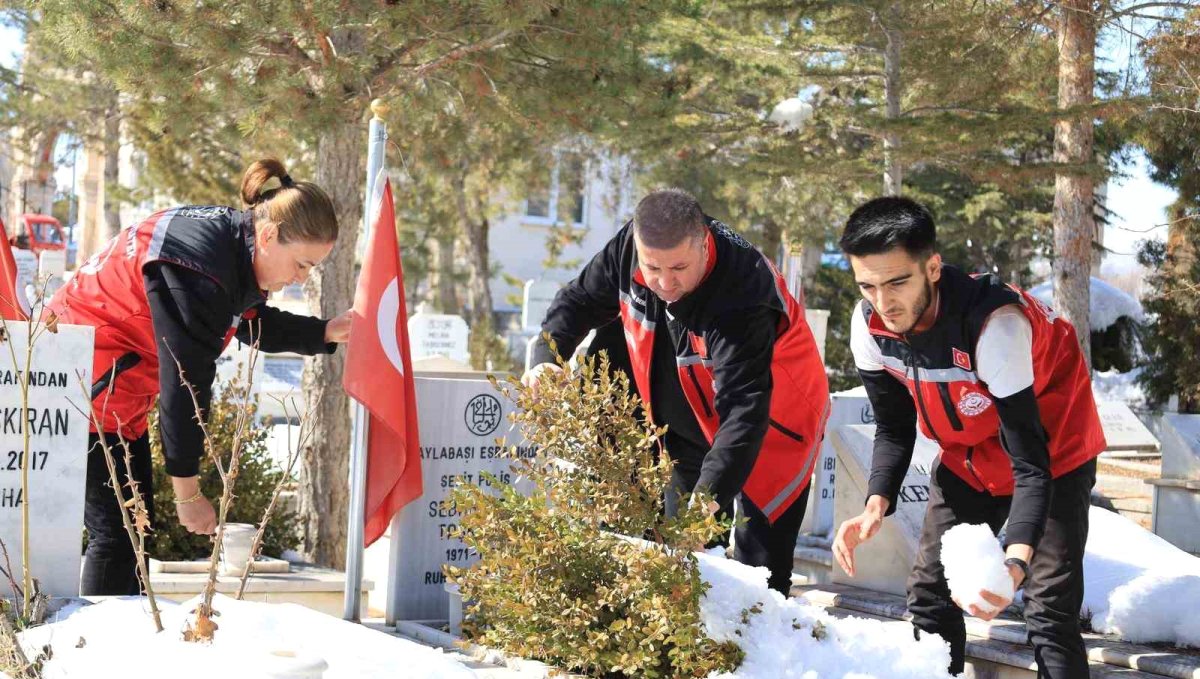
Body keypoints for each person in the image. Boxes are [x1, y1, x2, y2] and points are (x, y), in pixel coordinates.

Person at [48, 159, 353, 596]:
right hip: (80, 383)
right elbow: (185, 384)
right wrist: (188, 494)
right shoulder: (199, 270)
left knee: (133, 532)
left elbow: (246, 319)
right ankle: (100, 640)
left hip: (114, 386)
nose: (301, 279)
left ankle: (123, 632)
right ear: (269, 236)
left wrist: (324, 331)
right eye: (302, 265)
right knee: (118, 536)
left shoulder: (230, 243)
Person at [831, 196, 1104, 677]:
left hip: (1052, 449)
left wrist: (1016, 562)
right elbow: (894, 426)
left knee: (1048, 608)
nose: (884, 302)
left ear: (933, 268)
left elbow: (1031, 466)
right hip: (968, 454)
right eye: (867, 285)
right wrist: (876, 502)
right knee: (929, 594)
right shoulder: (868, 325)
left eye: (897, 282)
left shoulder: (995, 327)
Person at [523, 188, 829, 595]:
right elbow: (579, 300)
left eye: (680, 267)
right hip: (689, 411)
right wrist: (546, 358)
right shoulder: (629, 247)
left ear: (703, 243)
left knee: (760, 578)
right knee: (679, 559)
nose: (665, 282)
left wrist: (706, 504)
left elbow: (744, 414)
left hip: (774, 418)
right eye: (652, 267)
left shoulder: (742, 296)